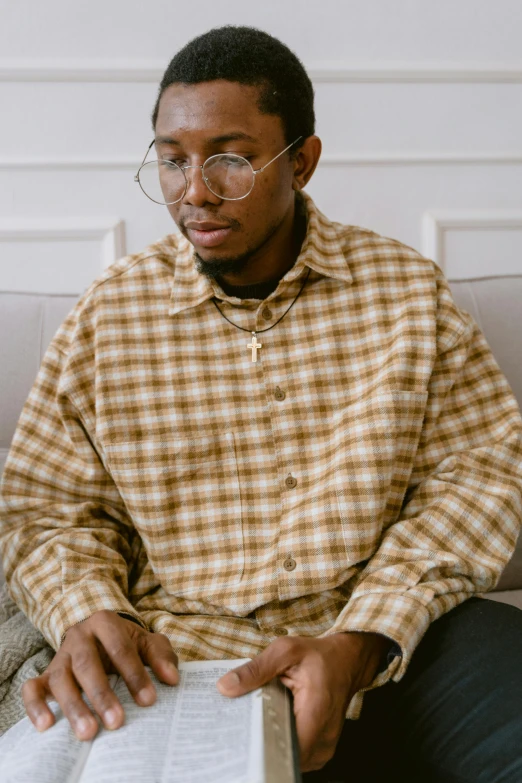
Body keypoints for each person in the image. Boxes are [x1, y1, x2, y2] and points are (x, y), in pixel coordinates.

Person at [1, 25, 522, 782]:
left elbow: (480, 474)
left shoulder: (408, 295)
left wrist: (363, 639)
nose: (195, 193)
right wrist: (91, 612)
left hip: (392, 642)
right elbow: (48, 510)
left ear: (302, 161)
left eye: (232, 159)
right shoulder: (107, 319)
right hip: (181, 658)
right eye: (172, 161)